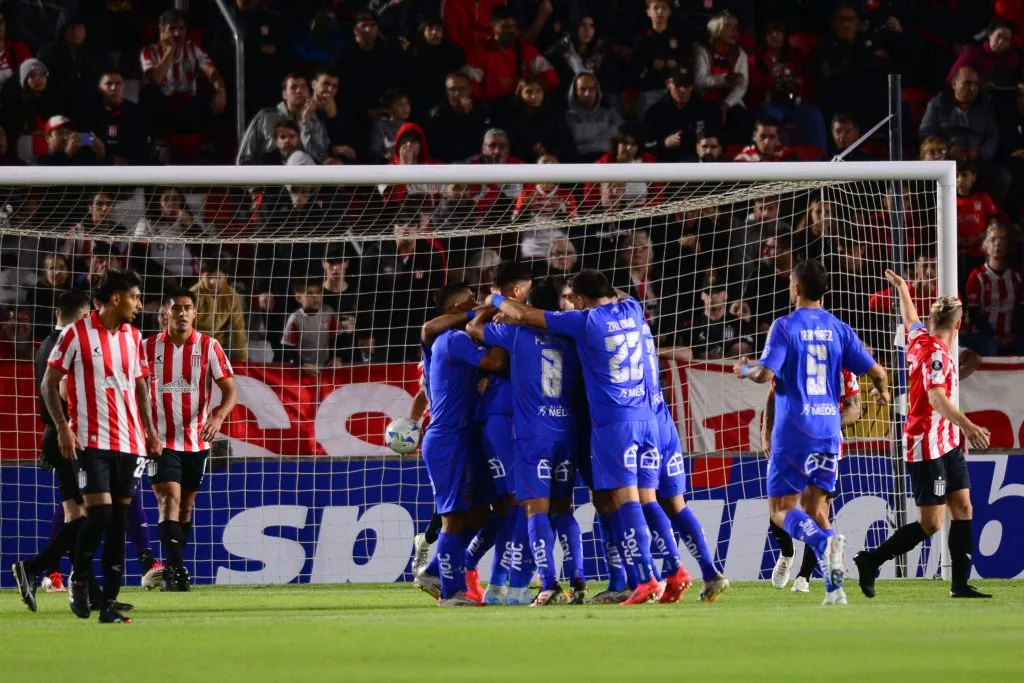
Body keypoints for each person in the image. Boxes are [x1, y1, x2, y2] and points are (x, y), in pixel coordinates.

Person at [486, 269, 662, 605]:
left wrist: (494, 300)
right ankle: (622, 578)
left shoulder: (576, 325)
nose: (570, 300)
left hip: (594, 426)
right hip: (592, 425)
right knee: (604, 501)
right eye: (565, 296)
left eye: (573, 294)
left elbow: (502, 322)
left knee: (604, 501)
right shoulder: (622, 312)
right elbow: (615, 297)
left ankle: (632, 578)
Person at [732, 259, 889, 605]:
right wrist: (884, 392)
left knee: (781, 510)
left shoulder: (785, 327)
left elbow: (764, 375)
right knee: (818, 511)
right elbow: (877, 371)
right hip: (830, 433)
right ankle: (835, 589)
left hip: (795, 433)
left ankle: (821, 544)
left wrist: (744, 367)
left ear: (796, 288)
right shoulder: (839, 328)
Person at [854, 271, 992, 600]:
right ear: (958, 325)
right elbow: (936, 397)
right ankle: (871, 560)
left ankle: (959, 585)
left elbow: (910, 318)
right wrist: (969, 426)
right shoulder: (938, 355)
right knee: (930, 523)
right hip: (927, 443)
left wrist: (903, 289)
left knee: (964, 507)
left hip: (947, 444)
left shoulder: (918, 338)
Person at [39, 270, 163, 623]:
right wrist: (62, 427)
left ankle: (108, 602)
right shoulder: (76, 334)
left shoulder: (134, 337)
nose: (139, 305)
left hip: (130, 441)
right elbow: (50, 383)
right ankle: (79, 576)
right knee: (100, 515)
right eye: (135, 298)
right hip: (89, 441)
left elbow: (140, 386)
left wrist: (151, 432)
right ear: (115, 298)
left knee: (118, 520)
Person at [468, 276, 585, 606]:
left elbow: (475, 331)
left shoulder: (517, 334)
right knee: (564, 511)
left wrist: (492, 305)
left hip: (533, 436)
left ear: (528, 307)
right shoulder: (573, 334)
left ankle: (548, 584)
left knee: (535, 510)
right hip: (567, 432)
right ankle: (578, 582)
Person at [416, 283, 508, 606]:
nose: (477, 301)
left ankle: (434, 570)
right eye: (471, 298)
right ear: (457, 306)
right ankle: (451, 593)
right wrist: (499, 327)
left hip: (465, 439)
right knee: (453, 517)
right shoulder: (452, 339)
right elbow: (496, 362)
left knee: (487, 513)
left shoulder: (454, 341)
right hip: (449, 438)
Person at [144, 289, 237, 591]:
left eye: (187, 308)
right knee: (167, 500)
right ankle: (176, 570)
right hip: (160, 441)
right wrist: (145, 430)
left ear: (195, 313)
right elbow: (134, 390)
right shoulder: (147, 348)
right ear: (165, 314)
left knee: (186, 507)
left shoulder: (209, 347)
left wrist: (219, 417)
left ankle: (172, 566)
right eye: (176, 308)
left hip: (196, 441)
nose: (182, 313)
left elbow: (230, 390)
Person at [13, 290, 91, 611]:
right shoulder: (70, 345)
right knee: (95, 512)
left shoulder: (44, 345)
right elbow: (60, 389)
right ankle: (38, 567)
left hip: (53, 433)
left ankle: (78, 579)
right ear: (84, 316)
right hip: (70, 434)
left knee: (75, 513)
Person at [640, 320, 729, 603]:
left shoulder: (608, 333)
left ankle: (672, 571)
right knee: (675, 504)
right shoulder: (641, 336)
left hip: (641, 426)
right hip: (665, 424)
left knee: (642, 500)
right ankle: (709, 571)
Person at [767, 368, 863, 592]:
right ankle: (787, 553)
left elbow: (854, 408)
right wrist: (766, 432)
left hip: (825, 448)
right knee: (779, 508)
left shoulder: (843, 369)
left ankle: (804, 577)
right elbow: (772, 396)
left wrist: (825, 426)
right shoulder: (789, 361)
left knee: (818, 511)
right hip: (789, 444)